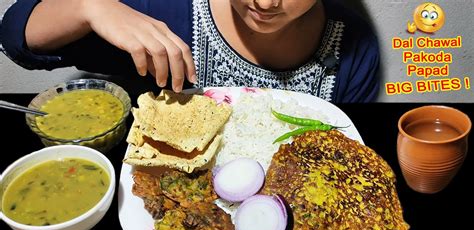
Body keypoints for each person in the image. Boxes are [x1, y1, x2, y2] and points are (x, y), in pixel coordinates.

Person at [0, 0, 380, 103]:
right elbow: (17, 35)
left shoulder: (354, 46)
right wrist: (88, 7)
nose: (264, 3)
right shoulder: (167, 9)